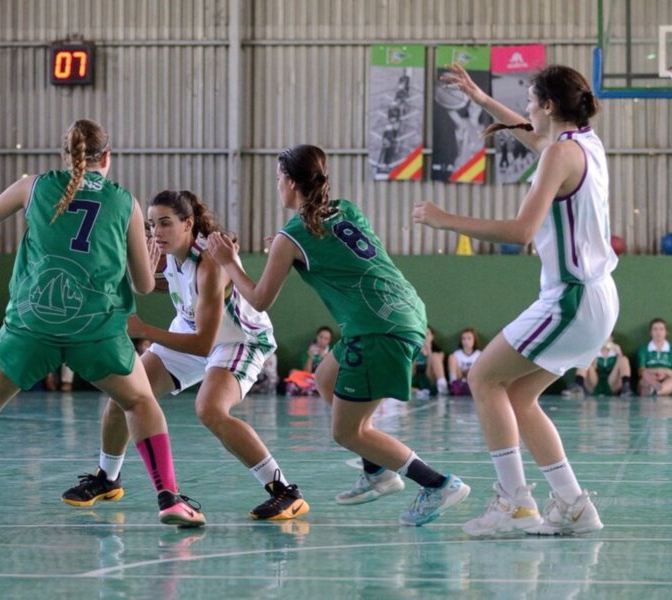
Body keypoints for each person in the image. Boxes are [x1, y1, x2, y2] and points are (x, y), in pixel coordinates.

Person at [0, 119, 204, 528]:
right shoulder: (126, 202)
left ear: (64, 155)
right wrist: (150, 262)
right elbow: (142, 285)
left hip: (32, 325)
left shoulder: (31, 186)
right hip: (96, 330)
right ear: (107, 157)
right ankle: (169, 499)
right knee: (139, 403)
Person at [207, 144, 469, 526]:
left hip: (377, 329)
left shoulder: (291, 236)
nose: (277, 186)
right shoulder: (344, 209)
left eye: (279, 180)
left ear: (292, 183)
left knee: (347, 431)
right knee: (325, 377)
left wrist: (229, 262)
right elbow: (335, 250)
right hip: (402, 311)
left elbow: (259, 299)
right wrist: (283, 248)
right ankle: (378, 473)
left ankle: (437, 484)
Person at [414, 64, 616, 536]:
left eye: (530, 99)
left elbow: (523, 231)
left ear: (548, 106)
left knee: (483, 375)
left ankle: (514, 504)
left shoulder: (558, 156)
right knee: (519, 395)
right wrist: (482, 99)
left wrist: (447, 219)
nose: (526, 107)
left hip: (571, 296)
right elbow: (531, 133)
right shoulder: (585, 143)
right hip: (596, 296)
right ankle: (573, 505)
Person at [61, 190, 308, 521]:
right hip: (191, 329)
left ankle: (285, 491)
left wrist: (144, 330)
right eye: (151, 225)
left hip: (237, 340)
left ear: (188, 223)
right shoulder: (170, 255)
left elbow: (203, 344)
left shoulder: (210, 264)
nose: (156, 232)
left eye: (165, 223)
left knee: (210, 410)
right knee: (125, 391)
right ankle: (108, 478)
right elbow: (168, 287)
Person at [565, 334, 632, 398]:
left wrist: (619, 353)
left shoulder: (615, 351)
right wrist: (593, 356)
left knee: (624, 359)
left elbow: (621, 366)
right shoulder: (594, 351)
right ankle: (578, 386)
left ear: (612, 338)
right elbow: (593, 368)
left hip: (611, 382)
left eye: (607, 336)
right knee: (586, 358)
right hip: (594, 382)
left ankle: (626, 387)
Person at [637, 318, 672, 396]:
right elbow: (641, 371)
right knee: (642, 381)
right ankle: (661, 390)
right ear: (650, 332)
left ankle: (655, 392)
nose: (658, 332)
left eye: (661, 329)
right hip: (650, 379)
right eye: (655, 329)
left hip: (667, 379)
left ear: (666, 332)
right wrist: (656, 372)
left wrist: (664, 371)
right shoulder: (643, 350)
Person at [412, 325, 448, 398]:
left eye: (427, 334)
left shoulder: (438, 352)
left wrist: (429, 351)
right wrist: (415, 354)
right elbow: (412, 373)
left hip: (430, 377)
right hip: (417, 378)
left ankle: (442, 386)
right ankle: (416, 390)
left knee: (434, 356)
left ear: (432, 336)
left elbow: (438, 366)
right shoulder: (414, 350)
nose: (425, 337)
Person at [448, 328, 483, 396]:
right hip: (460, 381)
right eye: (464, 339)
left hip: (473, 382)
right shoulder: (456, 354)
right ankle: (453, 385)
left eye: (469, 338)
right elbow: (459, 373)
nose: (466, 341)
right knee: (451, 358)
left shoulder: (479, 354)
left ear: (474, 340)